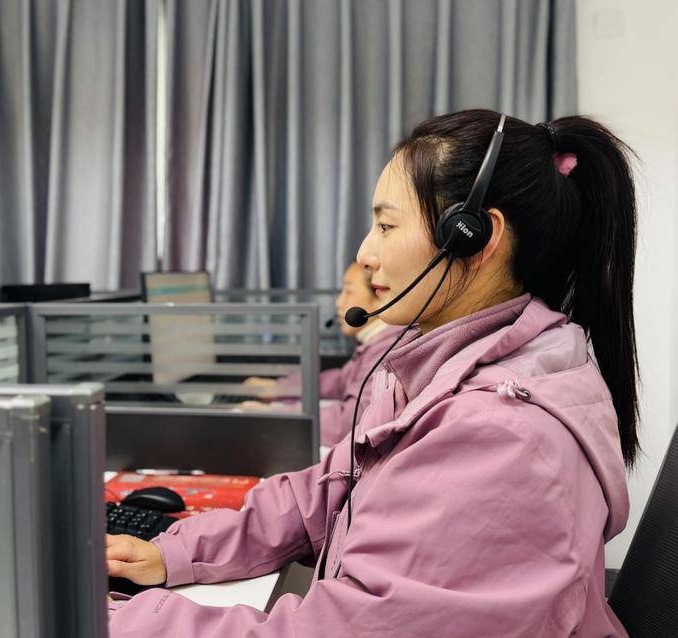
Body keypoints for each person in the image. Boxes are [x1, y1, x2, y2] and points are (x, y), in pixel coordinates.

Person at [105, 110, 637, 637]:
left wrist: (114, 620)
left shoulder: (497, 434)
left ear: (473, 237)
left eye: (386, 225)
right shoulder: (436, 372)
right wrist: (174, 552)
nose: (365, 253)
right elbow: (323, 494)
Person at [243, 261, 414, 446]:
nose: (339, 302)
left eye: (348, 291)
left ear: (381, 296)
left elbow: (349, 421)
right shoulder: (377, 342)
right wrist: (281, 388)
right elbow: (339, 381)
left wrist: (276, 414)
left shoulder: (389, 350)